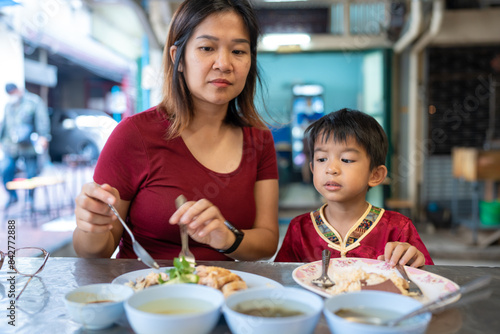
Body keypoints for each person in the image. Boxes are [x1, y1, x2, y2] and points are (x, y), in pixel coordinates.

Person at [73, 0, 279, 262]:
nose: (224, 64)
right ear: (177, 58)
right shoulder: (133, 135)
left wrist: (227, 237)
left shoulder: (258, 140)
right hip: (144, 293)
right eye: (207, 48)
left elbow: (267, 240)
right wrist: (91, 224)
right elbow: (95, 250)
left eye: (238, 51)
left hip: (222, 292)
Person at [275, 108, 433, 267]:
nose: (331, 169)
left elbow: (429, 280)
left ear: (375, 175)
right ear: (312, 168)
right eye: (321, 159)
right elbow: (282, 281)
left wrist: (413, 260)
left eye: (347, 159)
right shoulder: (300, 229)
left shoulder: (398, 228)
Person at [0, 83, 50, 208]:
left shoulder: (33, 101)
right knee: (6, 169)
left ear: (18, 90)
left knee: (31, 174)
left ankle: (30, 200)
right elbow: (5, 124)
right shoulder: (9, 105)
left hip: (29, 146)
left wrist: (44, 136)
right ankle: (12, 196)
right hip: (11, 146)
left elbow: (42, 120)